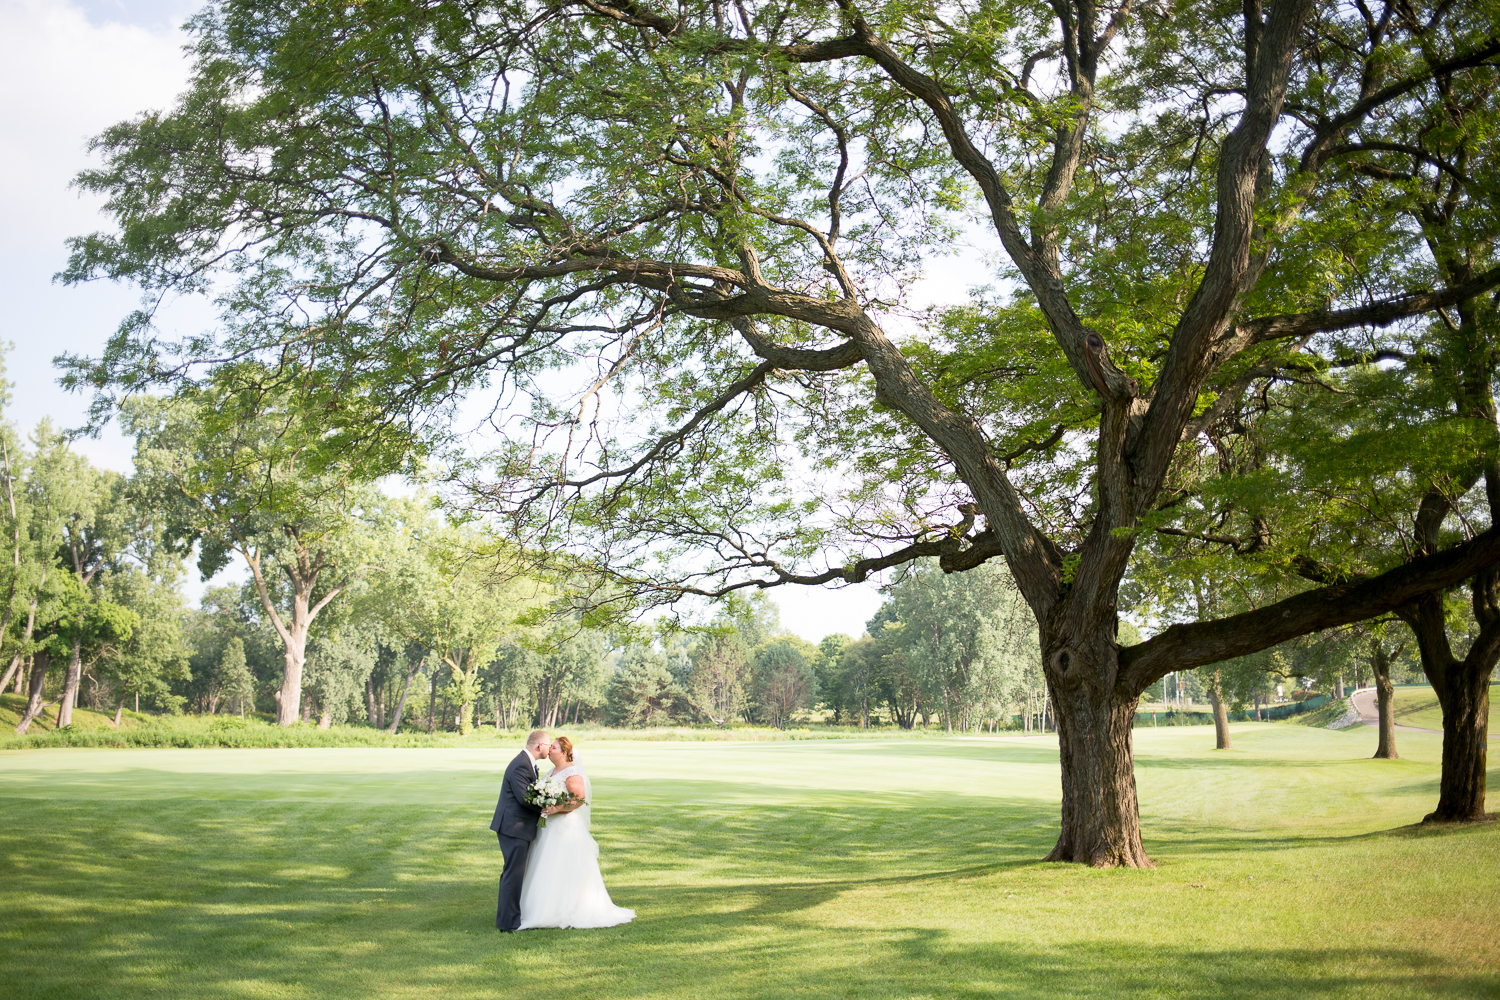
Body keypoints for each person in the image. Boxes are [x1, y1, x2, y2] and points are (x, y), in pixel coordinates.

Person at [516, 735, 635, 929]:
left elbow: (578, 800)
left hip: (565, 827)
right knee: (547, 865)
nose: (549, 750)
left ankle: (567, 909)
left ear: (563, 753)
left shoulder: (572, 773)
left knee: (564, 865)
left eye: (553, 748)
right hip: (549, 828)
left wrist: (556, 808)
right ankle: (542, 908)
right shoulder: (553, 771)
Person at [490, 729, 550, 931]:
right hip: (514, 827)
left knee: (513, 874)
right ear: (540, 746)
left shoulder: (527, 764)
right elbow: (525, 798)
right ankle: (508, 923)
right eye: (548, 745)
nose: (549, 749)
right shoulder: (520, 766)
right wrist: (548, 806)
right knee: (513, 875)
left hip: (517, 826)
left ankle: (507, 919)